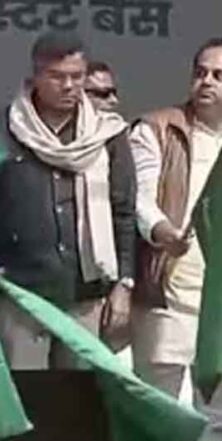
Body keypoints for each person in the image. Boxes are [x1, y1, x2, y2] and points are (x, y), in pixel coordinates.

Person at [129, 37, 222, 441]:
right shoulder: (157, 128)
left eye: (219, 75)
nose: (207, 81)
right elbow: (139, 199)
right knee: (167, 412)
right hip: (173, 290)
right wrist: (164, 232)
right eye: (200, 73)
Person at [0, 32, 135, 369]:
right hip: (21, 293)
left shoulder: (106, 134)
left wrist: (123, 285)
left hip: (85, 292)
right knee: (27, 393)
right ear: (35, 77)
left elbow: (124, 212)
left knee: (77, 394)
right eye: (57, 77)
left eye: (77, 76)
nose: (69, 86)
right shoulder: (7, 129)